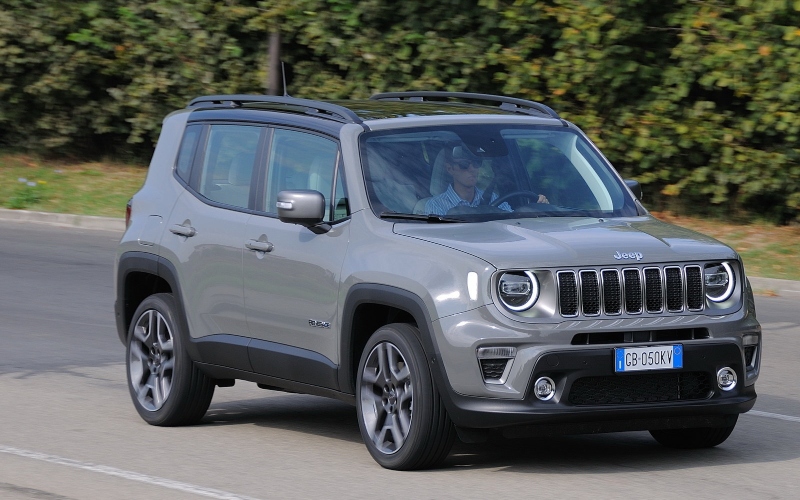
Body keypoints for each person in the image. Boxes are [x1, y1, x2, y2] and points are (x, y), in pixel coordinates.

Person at [424, 146, 546, 215]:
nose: (472, 169)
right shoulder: (435, 205)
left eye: (477, 163)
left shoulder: (494, 198)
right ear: (450, 169)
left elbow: (513, 220)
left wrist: (537, 207)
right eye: (464, 165)